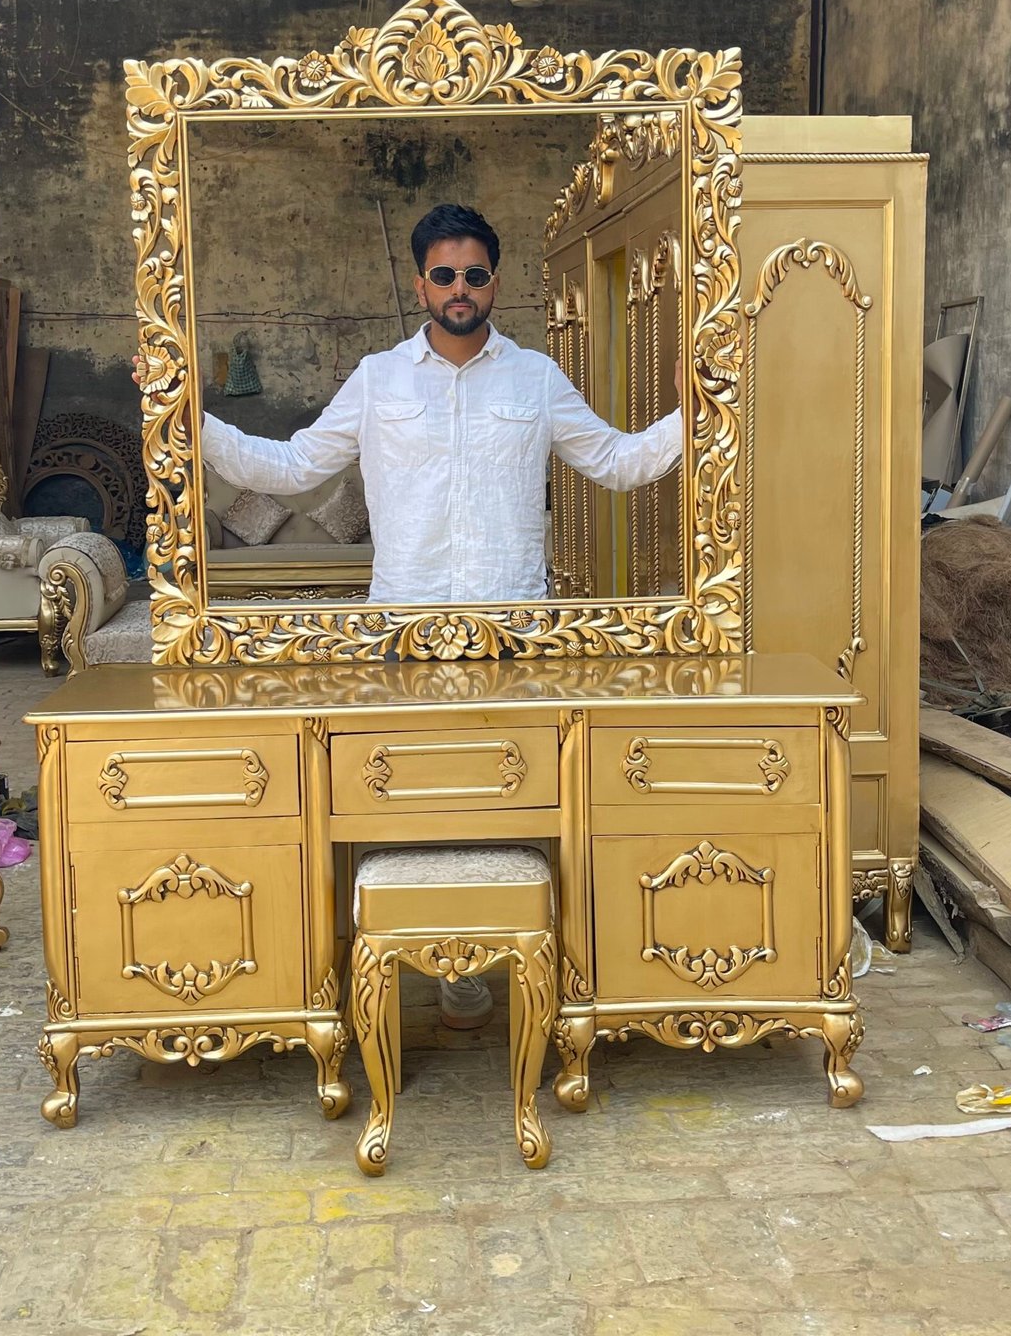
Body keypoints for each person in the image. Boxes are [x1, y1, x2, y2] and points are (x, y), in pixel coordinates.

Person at [153, 202, 685, 1025]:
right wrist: (189, 417)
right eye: (445, 275)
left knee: (518, 797)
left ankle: (528, 950)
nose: (460, 289)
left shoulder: (536, 379)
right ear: (420, 283)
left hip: (515, 631)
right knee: (411, 797)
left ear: (495, 282)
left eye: (475, 274)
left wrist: (705, 412)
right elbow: (293, 466)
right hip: (401, 632)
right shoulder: (377, 379)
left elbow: (615, 462)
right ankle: (439, 957)